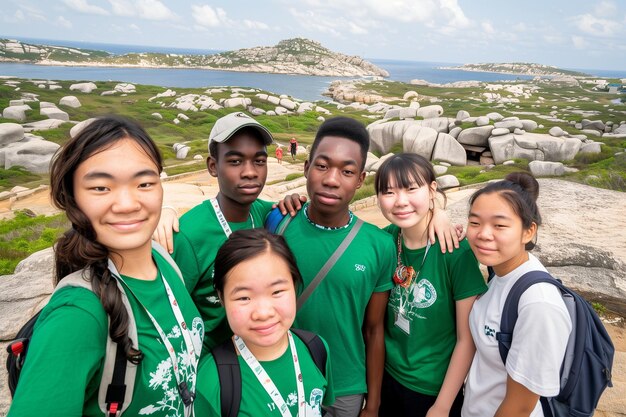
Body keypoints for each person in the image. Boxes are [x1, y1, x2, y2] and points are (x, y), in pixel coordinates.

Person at [7, 116, 203, 417]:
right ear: (72, 198)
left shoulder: (164, 261)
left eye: (145, 183)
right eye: (100, 187)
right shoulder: (76, 316)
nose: (126, 203)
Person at [152, 112, 304, 351]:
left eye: (259, 161)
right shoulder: (188, 236)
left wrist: (293, 200)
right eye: (235, 161)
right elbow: (166, 317)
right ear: (213, 166)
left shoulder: (268, 215)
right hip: (211, 371)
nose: (250, 172)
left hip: (262, 359)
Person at [374, 154, 487, 417]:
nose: (401, 201)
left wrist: (442, 406)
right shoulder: (384, 242)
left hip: (432, 390)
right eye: (388, 192)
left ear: (432, 189)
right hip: (385, 377)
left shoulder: (455, 253)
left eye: (411, 188)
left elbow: (466, 339)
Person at [462, 172, 572, 417]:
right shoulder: (500, 274)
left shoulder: (538, 304)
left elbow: (520, 407)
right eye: (475, 222)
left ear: (528, 231)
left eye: (500, 225)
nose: (483, 234)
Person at [195, 228, 334, 416]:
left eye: (277, 292)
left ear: (294, 286)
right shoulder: (211, 380)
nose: (263, 313)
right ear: (221, 297)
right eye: (244, 297)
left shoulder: (316, 349)